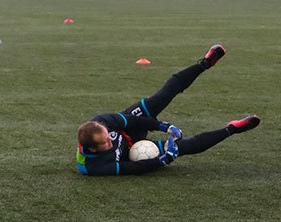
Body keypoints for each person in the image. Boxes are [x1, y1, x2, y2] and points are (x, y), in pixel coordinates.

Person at [75, 44, 261, 176]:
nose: (110, 139)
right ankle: (233, 128)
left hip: (129, 128)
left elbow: (133, 121)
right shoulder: (93, 167)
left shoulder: (102, 122)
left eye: (108, 135)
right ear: (92, 149)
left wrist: (162, 126)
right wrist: (163, 160)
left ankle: (205, 63)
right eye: (106, 142)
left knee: (161, 97)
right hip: (132, 150)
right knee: (182, 148)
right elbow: (132, 169)